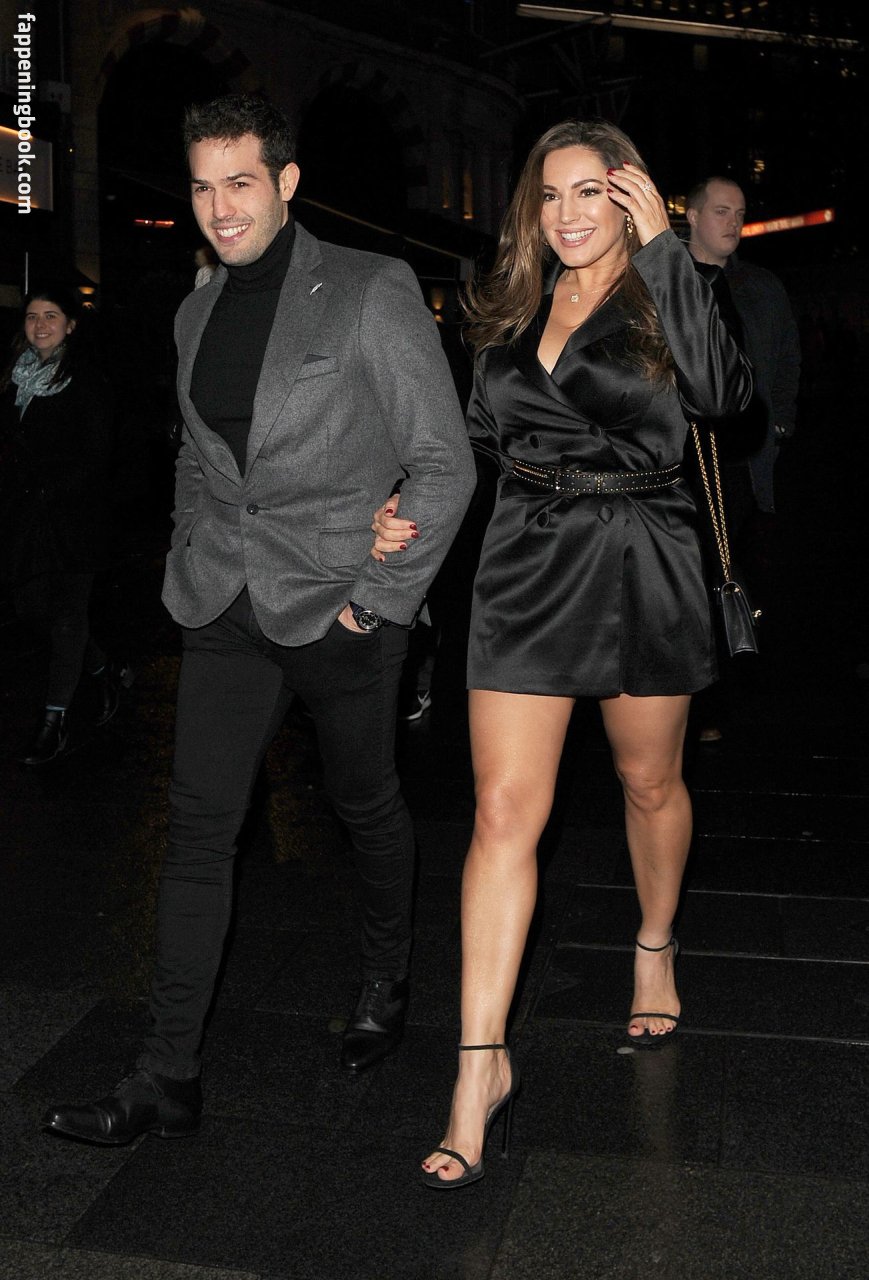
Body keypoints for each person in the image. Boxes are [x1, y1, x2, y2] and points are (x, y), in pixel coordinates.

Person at [42, 93, 475, 1146]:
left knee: (364, 803)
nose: (219, 207)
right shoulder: (195, 313)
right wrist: (189, 550)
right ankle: (166, 1073)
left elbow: (443, 462)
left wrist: (376, 603)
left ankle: (387, 975)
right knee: (199, 829)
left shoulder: (368, 289)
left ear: (285, 181)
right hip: (226, 606)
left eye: (240, 182)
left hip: (338, 606)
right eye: (201, 186)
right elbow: (200, 457)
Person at [372, 119, 752, 1187]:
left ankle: (654, 941)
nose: (568, 214)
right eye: (550, 194)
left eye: (591, 191)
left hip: (641, 553)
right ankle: (477, 1068)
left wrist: (667, 250)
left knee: (647, 781)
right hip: (524, 558)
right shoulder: (508, 306)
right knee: (501, 812)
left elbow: (722, 396)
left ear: (630, 198)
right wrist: (403, 501)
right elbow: (468, 441)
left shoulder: (664, 291)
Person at [0, 287, 122, 765]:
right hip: (25, 519)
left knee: (69, 615)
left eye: (51, 316)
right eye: (32, 316)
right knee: (33, 609)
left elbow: (96, 454)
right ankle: (103, 668)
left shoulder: (87, 378)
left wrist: (49, 490)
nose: (40, 325)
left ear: (70, 325)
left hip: (75, 519)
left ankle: (54, 722)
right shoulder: (12, 377)